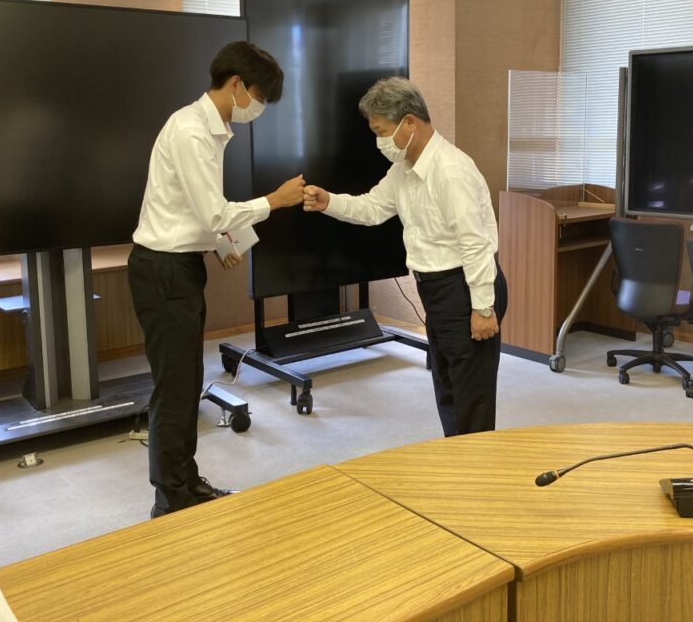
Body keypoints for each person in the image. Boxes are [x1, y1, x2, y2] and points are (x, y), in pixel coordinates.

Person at [128, 41, 305, 518]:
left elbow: (193, 210)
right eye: (259, 97)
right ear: (236, 84)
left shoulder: (209, 129)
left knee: (186, 382)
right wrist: (275, 200)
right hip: (163, 269)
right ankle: (171, 499)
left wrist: (223, 244)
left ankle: (183, 484)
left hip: (178, 264)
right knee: (175, 387)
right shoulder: (191, 132)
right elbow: (212, 212)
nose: (257, 108)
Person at [302, 77, 507, 437]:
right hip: (437, 290)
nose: (379, 142)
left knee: (471, 397)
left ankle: (476, 467)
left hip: (466, 287)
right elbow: (371, 208)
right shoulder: (404, 170)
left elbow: (475, 244)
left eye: (382, 132)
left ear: (409, 122)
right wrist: (328, 202)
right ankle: (456, 457)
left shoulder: (450, 170)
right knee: (448, 388)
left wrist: (483, 308)